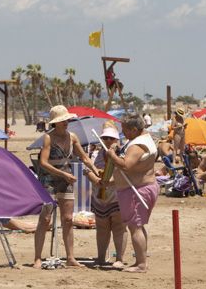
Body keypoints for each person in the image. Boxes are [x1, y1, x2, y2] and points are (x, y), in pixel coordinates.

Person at [32, 105, 97, 268]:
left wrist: (96, 172)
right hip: (49, 180)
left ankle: (70, 257)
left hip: (66, 181)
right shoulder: (48, 138)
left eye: (67, 120)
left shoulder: (72, 137)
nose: (66, 122)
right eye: (63, 120)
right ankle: (37, 258)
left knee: (68, 219)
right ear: (56, 123)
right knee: (45, 219)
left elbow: (84, 157)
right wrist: (63, 174)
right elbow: (43, 163)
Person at [104, 116, 158, 273]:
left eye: (125, 130)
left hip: (137, 189)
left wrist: (112, 155)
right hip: (140, 186)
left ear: (134, 130)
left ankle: (141, 264)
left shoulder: (137, 145)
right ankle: (140, 260)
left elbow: (126, 165)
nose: (123, 133)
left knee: (135, 227)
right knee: (138, 226)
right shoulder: (144, 139)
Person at [84, 126, 127, 269]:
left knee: (119, 227)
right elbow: (87, 170)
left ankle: (119, 258)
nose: (108, 141)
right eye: (105, 138)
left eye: (111, 138)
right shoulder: (96, 154)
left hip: (116, 196)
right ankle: (101, 257)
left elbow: (125, 173)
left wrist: (110, 182)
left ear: (117, 140)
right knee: (102, 228)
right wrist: (96, 180)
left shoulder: (122, 155)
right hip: (99, 196)